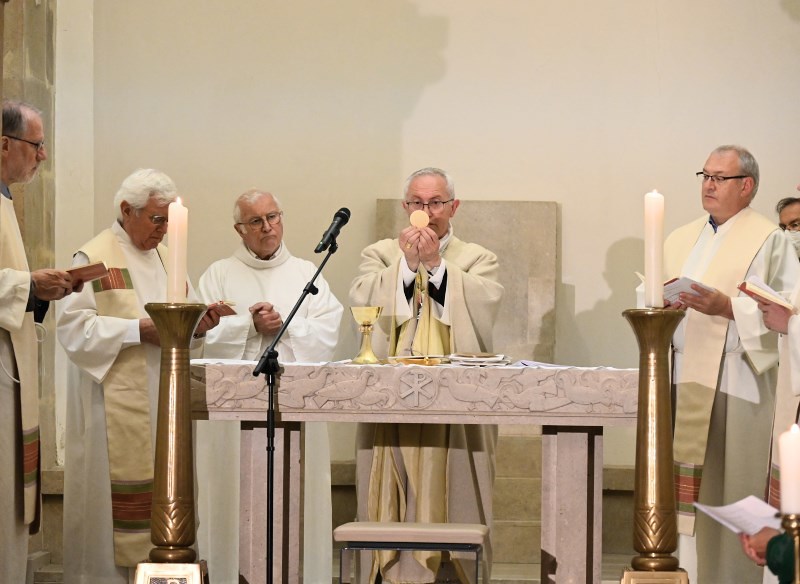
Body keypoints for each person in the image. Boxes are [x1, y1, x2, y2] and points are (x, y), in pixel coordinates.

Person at [57, 169, 225, 583]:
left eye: (168, 220)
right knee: (109, 518)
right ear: (126, 211)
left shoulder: (170, 257)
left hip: (165, 400)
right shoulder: (92, 259)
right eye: (156, 219)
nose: (164, 230)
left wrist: (199, 326)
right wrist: (137, 330)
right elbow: (73, 329)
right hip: (112, 410)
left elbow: (181, 321)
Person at [349, 167, 504, 584]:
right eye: (418, 203)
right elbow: (362, 303)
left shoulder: (476, 258)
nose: (426, 212)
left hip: (455, 414)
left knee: (456, 492)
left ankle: (452, 573)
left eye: (436, 203)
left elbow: (486, 309)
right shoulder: (381, 254)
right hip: (391, 406)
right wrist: (405, 267)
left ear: (454, 207)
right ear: (405, 207)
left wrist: (435, 265)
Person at [665, 146, 799, 583]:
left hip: (742, 379)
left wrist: (728, 308)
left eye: (721, 177)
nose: (708, 183)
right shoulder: (681, 237)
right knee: (693, 499)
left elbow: (785, 311)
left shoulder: (769, 238)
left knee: (735, 484)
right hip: (684, 378)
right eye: (705, 174)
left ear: (747, 186)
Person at [196, 189, 343, 583]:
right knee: (231, 501)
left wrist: (284, 323)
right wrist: (248, 326)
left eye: (273, 217)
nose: (268, 227)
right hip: (231, 423)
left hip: (295, 414)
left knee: (294, 504)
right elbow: (197, 335)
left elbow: (328, 333)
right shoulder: (218, 274)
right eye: (256, 221)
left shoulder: (306, 274)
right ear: (239, 229)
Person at [0, 100, 74, 583]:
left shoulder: (5, 201)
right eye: (37, 144)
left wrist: (37, 291)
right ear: (4, 144)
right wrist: (29, 284)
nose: (43, 156)